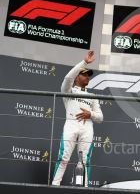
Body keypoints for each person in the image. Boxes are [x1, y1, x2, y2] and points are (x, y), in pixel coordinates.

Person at [52, 50, 103, 186]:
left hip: (87, 128)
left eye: (88, 75)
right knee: (63, 158)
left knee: (86, 161)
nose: (87, 77)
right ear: (76, 77)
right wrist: (84, 62)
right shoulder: (68, 90)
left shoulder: (93, 96)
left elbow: (100, 117)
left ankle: (85, 188)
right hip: (71, 124)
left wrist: (90, 114)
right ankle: (54, 186)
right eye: (84, 74)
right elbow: (67, 78)